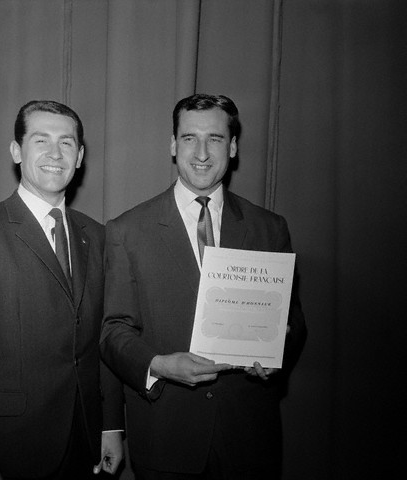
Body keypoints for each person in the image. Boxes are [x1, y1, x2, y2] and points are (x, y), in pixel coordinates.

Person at [100, 94, 306, 480]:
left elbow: (295, 324)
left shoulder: (269, 227)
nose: (201, 152)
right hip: (166, 437)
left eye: (214, 138)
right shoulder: (126, 231)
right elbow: (113, 332)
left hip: (248, 440)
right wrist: (158, 366)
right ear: (173, 145)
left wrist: (277, 349)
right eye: (190, 138)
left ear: (232, 146)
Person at [0, 100, 124, 480]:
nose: (55, 154)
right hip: (9, 450)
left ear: (80, 156)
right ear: (17, 151)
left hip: (85, 444)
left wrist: (110, 425)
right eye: (41, 140)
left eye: (67, 143)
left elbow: (103, 340)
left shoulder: (97, 237)